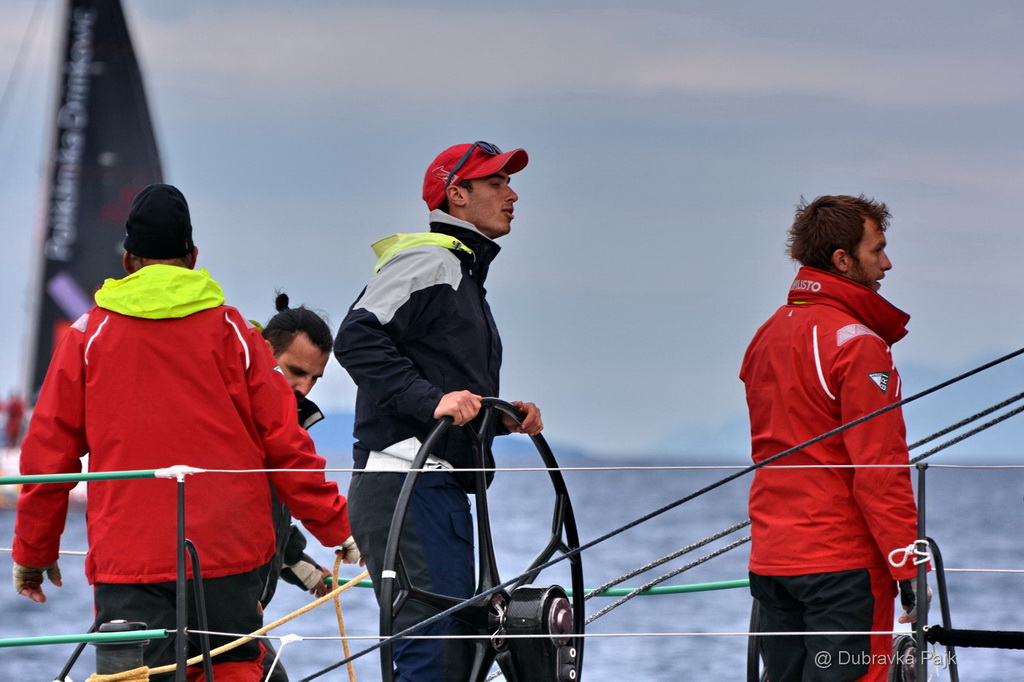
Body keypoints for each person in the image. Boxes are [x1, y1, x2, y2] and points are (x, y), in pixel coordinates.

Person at [12, 184, 360, 682]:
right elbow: (285, 443)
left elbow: (49, 458)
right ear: (193, 257)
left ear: (128, 259)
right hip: (229, 561)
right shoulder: (235, 334)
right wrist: (338, 528)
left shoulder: (87, 337)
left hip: (129, 562)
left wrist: (33, 552)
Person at [334, 141, 543, 681]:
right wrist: (433, 401)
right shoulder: (432, 259)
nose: (512, 193)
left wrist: (498, 416)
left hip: (434, 488)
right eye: (497, 183)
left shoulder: (462, 273)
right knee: (438, 654)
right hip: (408, 484)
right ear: (457, 194)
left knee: (459, 650)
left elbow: (442, 381)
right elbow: (356, 338)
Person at [740, 195, 926, 682]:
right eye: (876, 250)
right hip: (840, 570)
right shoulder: (859, 344)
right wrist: (908, 565)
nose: (887, 264)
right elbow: (880, 469)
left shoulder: (766, 336)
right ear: (843, 260)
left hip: (772, 560)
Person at [258, 292, 336, 682]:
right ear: (264, 351)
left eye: (314, 378)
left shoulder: (290, 417)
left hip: (242, 600)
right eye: (295, 371)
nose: (305, 387)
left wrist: (299, 565)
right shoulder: (240, 413)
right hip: (216, 595)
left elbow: (264, 509)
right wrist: (344, 535)